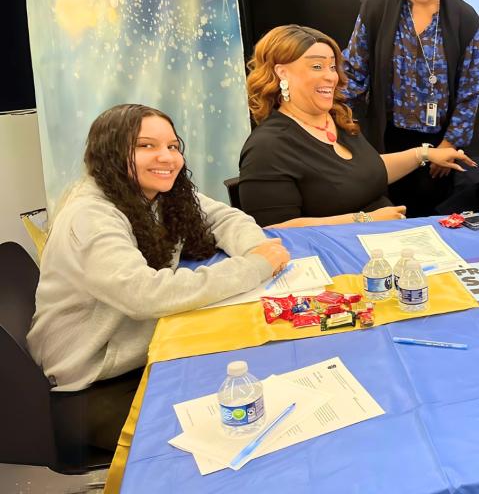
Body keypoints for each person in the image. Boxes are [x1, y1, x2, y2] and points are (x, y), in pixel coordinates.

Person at [26, 104, 291, 450]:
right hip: (93, 380)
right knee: (232, 426)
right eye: (146, 146)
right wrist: (254, 267)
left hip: (137, 350)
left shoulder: (155, 192)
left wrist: (257, 250)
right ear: (109, 152)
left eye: (172, 146)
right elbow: (145, 295)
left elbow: (224, 218)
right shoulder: (90, 215)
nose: (166, 157)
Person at [240, 25, 477, 228]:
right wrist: (364, 220)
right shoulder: (267, 147)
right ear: (282, 73)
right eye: (317, 67)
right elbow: (275, 230)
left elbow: (362, 172)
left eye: (332, 67)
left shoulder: (336, 119)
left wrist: (423, 154)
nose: (331, 77)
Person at [343, 0, 479, 217]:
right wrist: (332, 123)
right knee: (385, 216)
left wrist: (449, 144)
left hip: (439, 146)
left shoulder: (465, 19)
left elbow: (469, 93)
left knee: (429, 220)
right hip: (385, 140)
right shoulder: (376, 8)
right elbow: (353, 73)